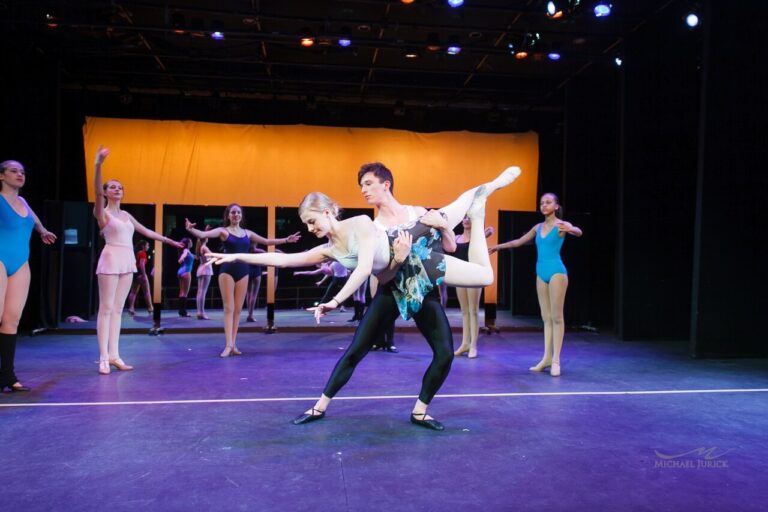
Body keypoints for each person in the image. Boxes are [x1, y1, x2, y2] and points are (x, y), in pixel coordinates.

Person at [206, 165, 521, 430]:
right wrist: (235, 259)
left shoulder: (360, 223)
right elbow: (285, 260)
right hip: (392, 283)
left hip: (417, 254)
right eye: (307, 224)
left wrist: (335, 301)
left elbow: (364, 269)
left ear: (328, 212)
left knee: (473, 258)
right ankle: (319, 406)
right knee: (356, 349)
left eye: (312, 221)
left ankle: (420, 410)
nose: (310, 228)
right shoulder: (331, 247)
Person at [92, 146, 183, 375]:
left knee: (118, 310)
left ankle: (115, 355)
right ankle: (103, 357)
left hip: (127, 260)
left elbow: (147, 232)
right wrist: (98, 164)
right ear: (105, 192)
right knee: (106, 308)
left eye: (120, 187)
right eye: (112, 187)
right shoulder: (102, 213)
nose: (117, 189)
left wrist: (169, 241)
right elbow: (95, 191)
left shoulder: (126, 215)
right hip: (111, 258)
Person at [185, 207, 300, 357]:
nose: (236, 214)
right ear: (228, 215)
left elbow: (266, 241)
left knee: (238, 310)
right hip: (226, 271)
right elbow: (203, 234)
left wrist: (286, 240)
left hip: (243, 272)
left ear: (241, 215)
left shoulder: (248, 233)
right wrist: (191, 230)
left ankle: (233, 344)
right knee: (229, 308)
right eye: (233, 212)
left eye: (238, 212)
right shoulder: (223, 231)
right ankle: (228, 345)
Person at [489, 192, 582, 377]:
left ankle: (556, 360)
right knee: (546, 318)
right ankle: (546, 358)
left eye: (548, 203)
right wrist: (498, 247)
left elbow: (579, 231)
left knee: (557, 317)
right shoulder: (538, 227)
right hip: (541, 273)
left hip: (557, 271)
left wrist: (571, 228)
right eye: (541, 203)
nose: (544, 206)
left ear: (556, 206)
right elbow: (518, 242)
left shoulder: (560, 225)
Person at [0, 160, 57, 392]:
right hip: (0, 259)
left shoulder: (22, 201)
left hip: (21, 262)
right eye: (13, 171)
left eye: (22, 171)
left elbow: (33, 220)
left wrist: (43, 231)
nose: (19, 174)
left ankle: (7, 376)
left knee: (12, 319)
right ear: (2, 176)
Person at [453, 218, 495, 359]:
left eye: (470, 217)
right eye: (465, 217)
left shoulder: (479, 239)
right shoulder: (456, 237)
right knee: (464, 312)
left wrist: (484, 234)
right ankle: (465, 343)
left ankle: (473, 346)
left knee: (473, 311)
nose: (466, 220)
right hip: (460, 275)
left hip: (474, 275)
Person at [126, 240, 153, 316]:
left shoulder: (137, 253)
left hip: (135, 274)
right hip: (141, 273)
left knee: (133, 292)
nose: (148, 247)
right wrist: (144, 275)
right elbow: (142, 265)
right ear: (143, 246)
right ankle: (150, 308)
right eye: (147, 245)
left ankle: (131, 308)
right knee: (147, 292)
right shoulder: (143, 253)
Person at [195, 235, 213, 320]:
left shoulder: (200, 247)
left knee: (200, 291)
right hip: (206, 269)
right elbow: (211, 257)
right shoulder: (204, 247)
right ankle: (201, 312)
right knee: (203, 292)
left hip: (201, 268)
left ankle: (199, 312)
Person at [176, 237, 194, 317]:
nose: (191, 242)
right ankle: (183, 312)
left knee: (181, 292)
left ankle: (181, 311)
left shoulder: (188, 251)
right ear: (188, 243)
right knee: (185, 293)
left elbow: (194, 256)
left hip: (180, 271)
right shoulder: (186, 250)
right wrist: (181, 258)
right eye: (190, 241)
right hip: (186, 271)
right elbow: (184, 254)